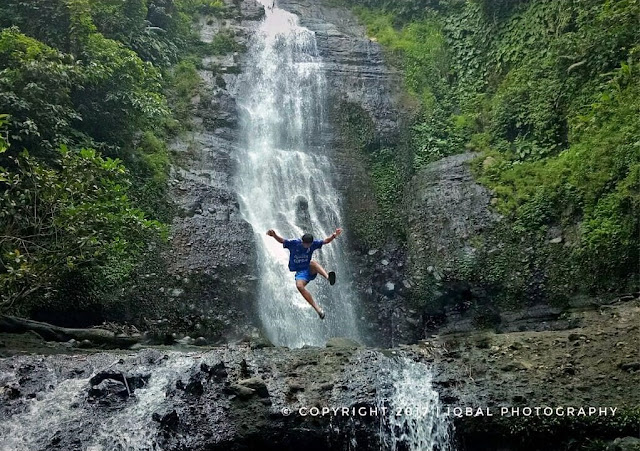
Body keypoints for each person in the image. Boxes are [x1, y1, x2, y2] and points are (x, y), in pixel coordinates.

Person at [266, 228, 343, 319]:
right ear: (302, 241)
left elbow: (325, 241)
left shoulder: (314, 244)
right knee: (299, 286)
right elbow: (282, 240)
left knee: (312, 262)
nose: (305, 245)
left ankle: (328, 278)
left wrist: (334, 235)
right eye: (304, 243)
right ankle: (318, 310)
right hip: (301, 272)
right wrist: (274, 235)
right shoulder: (294, 243)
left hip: (309, 268)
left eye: (308, 244)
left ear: (311, 243)